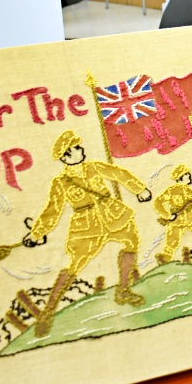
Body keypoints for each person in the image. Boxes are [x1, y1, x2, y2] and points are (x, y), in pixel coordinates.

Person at [23, 130, 152, 336]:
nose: (81, 149)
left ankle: (123, 290)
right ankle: (48, 312)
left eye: (78, 146)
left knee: (131, 241)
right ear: (66, 156)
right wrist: (36, 233)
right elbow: (52, 210)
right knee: (75, 265)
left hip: (112, 214)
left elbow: (118, 174)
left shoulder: (94, 167)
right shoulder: (61, 182)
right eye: (75, 148)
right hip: (86, 225)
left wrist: (139, 189)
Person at [153, 163, 192, 263]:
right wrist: (168, 215)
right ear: (180, 177)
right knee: (172, 243)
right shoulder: (171, 191)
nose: (189, 176)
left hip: (189, 221)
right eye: (187, 174)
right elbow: (157, 202)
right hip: (176, 222)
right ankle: (164, 260)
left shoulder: (189, 191)